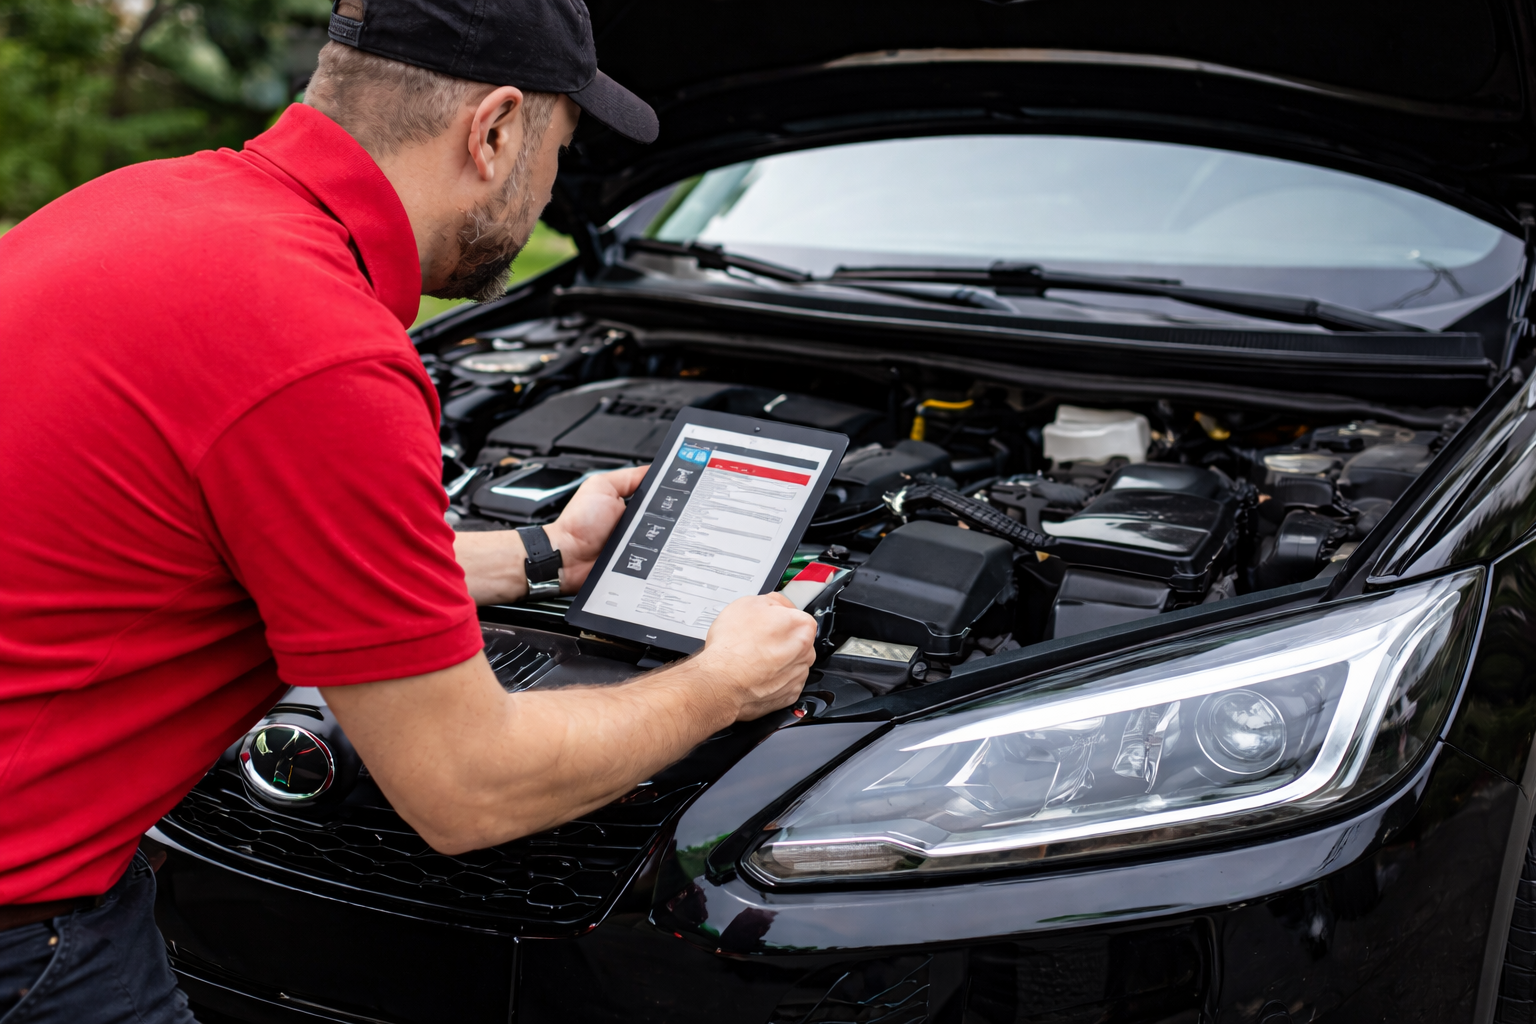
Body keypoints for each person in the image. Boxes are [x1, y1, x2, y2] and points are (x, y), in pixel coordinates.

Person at [0, 0, 818, 1018]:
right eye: (562, 149)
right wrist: (723, 682)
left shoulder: (145, 206)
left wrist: (545, 552)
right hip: (27, 923)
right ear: (497, 130)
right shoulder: (319, 345)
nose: (553, 189)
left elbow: (248, 539)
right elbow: (466, 789)